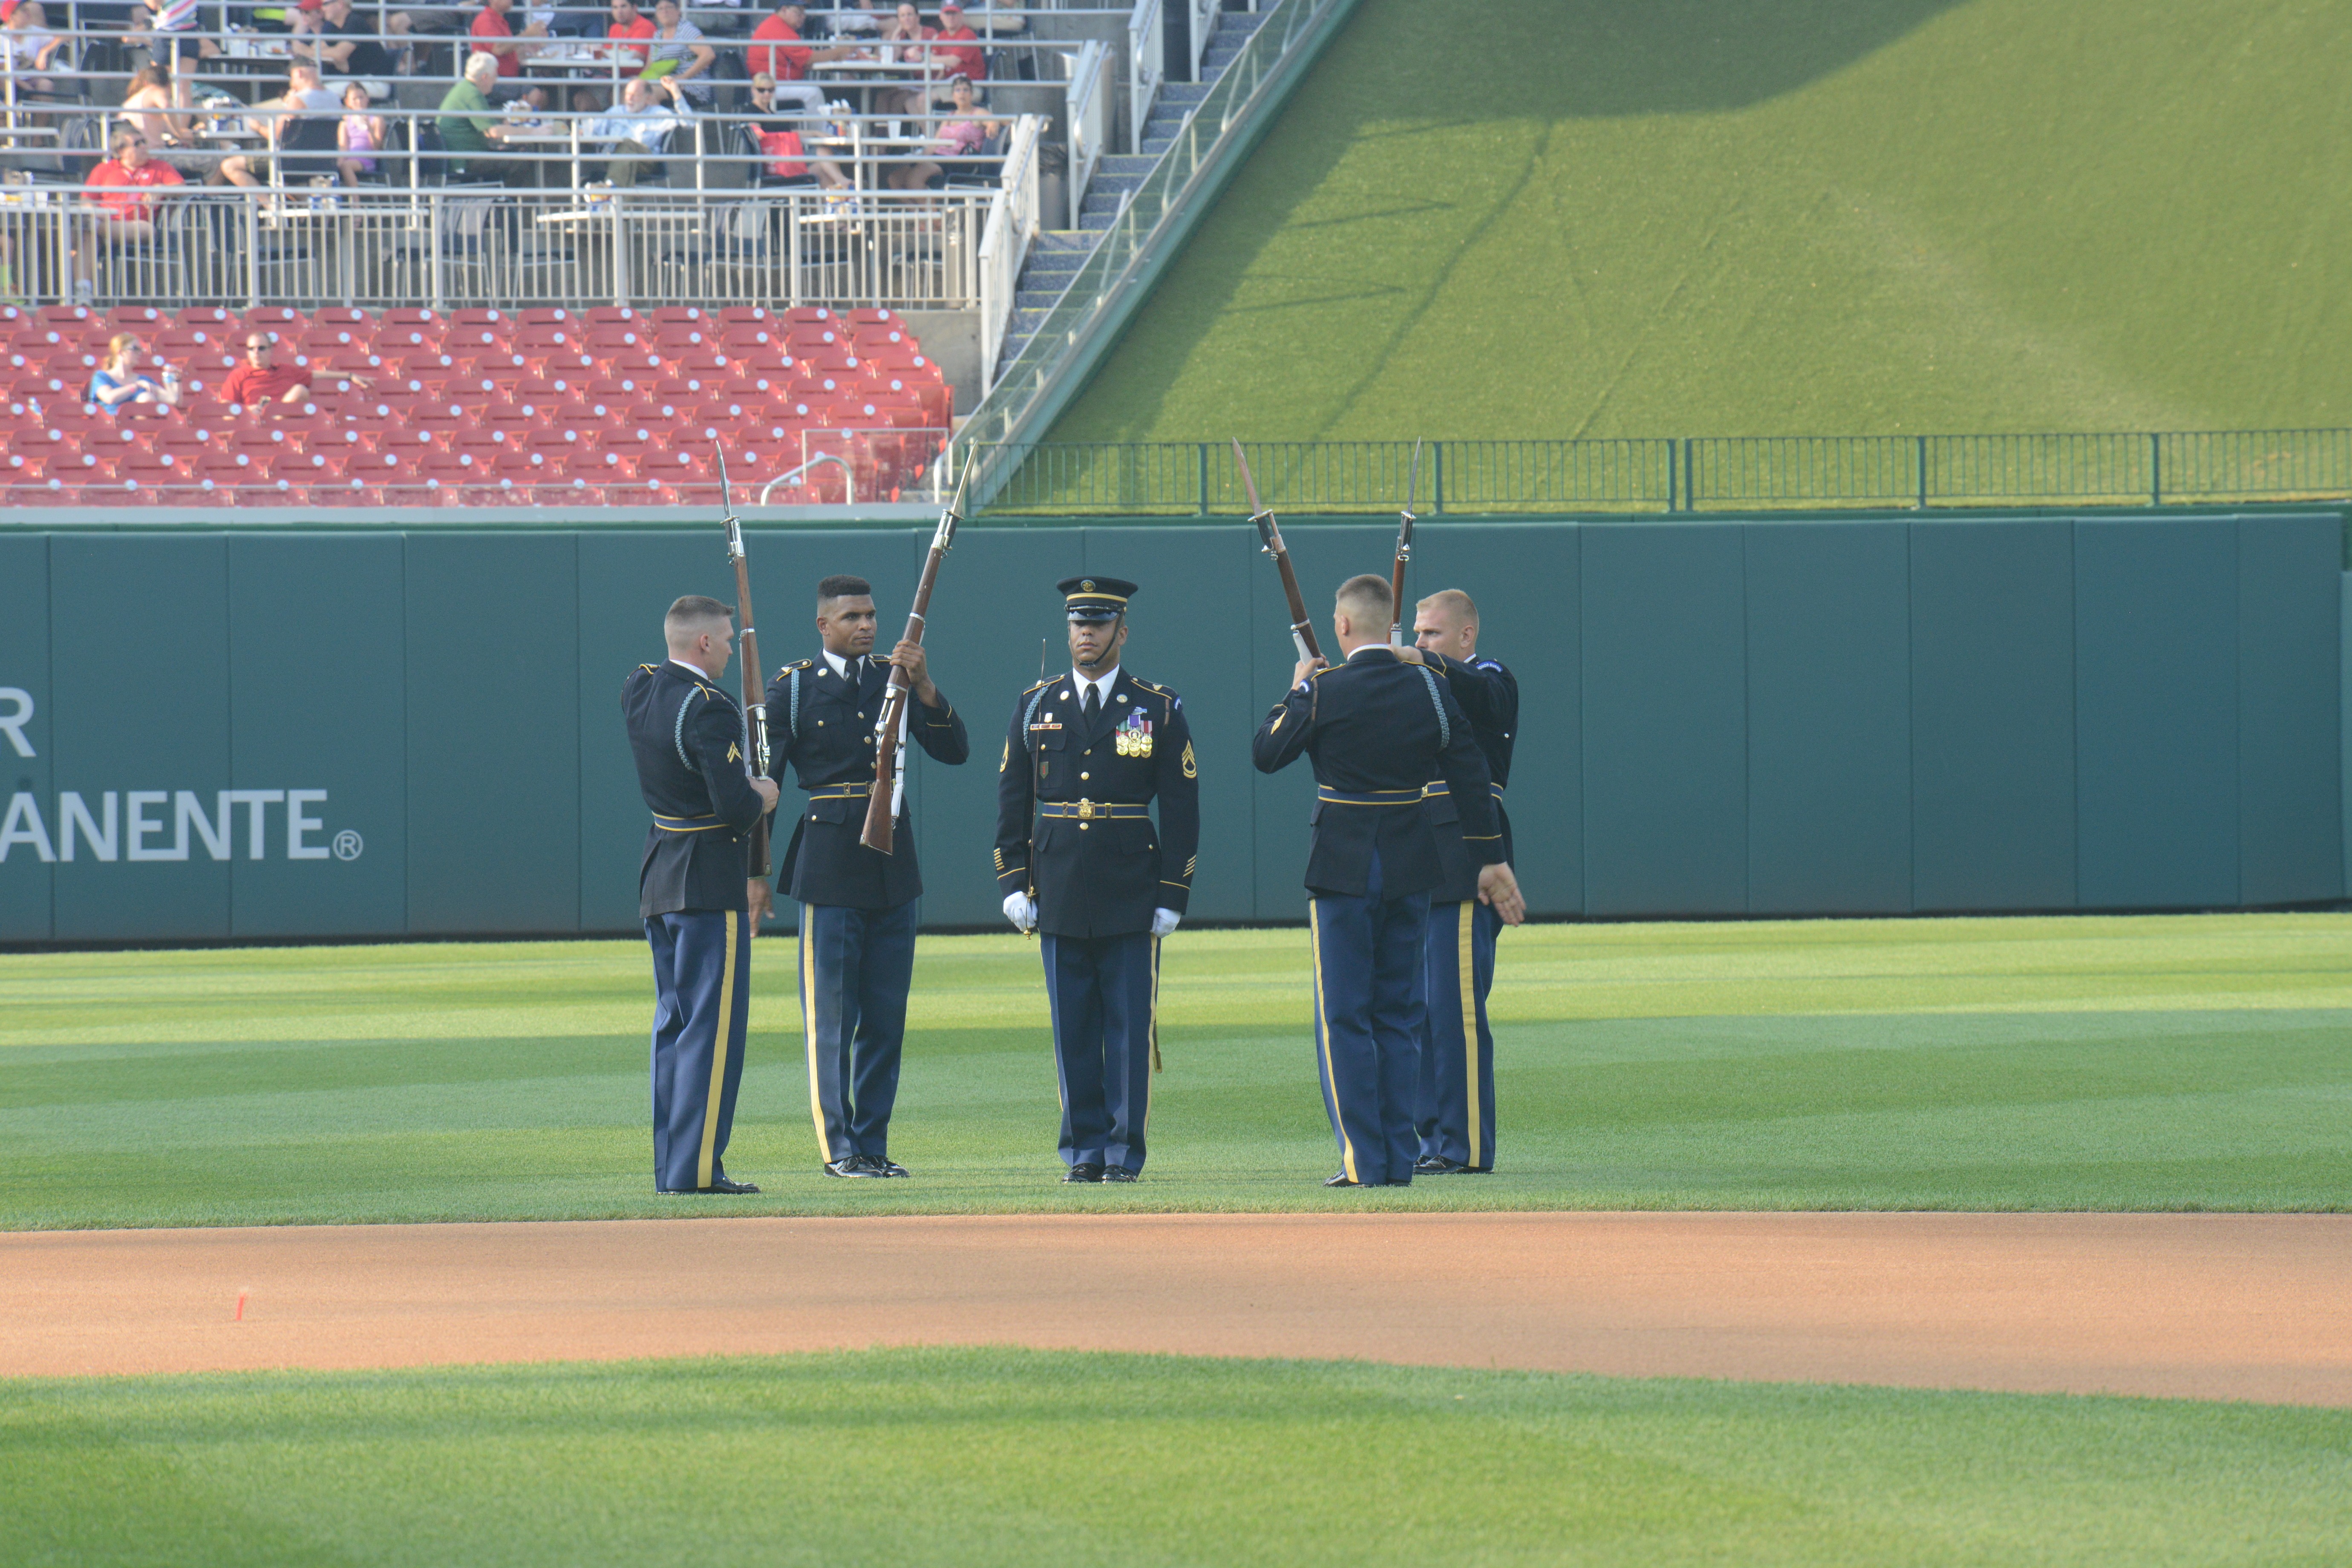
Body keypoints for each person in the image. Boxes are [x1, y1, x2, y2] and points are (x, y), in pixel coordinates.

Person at [1251, 574, 1524, 1188]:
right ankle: (1400, 1160)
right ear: (1391, 629)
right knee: (1403, 1016)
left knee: (1345, 1015)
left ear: (1343, 627)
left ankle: (1364, 1159)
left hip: (1345, 862)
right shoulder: (1427, 688)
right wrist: (1492, 854)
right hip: (1414, 859)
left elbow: (1267, 752)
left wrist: (1293, 693)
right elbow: (1467, 766)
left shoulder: (1323, 689)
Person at [761, 574, 969, 1179]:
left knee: (884, 1015)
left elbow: (955, 749)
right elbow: (766, 785)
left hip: (891, 864)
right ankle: (840, 1148)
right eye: (853, 616)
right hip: (827, 862)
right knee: (831, 1016)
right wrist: (756, 873)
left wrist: (924, 684)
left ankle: (872, 1142)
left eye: (872, 615)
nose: (868, 625)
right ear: (823, 624)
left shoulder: (895, 678)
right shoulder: (794, 689)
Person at [996, 576, 1198, 1184]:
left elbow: (1183, 807)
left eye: (1099, 624)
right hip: (1056, 879)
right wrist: (1013, 880)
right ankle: (1083, 1152)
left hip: (1130, 881)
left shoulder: (1156, 706)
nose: (1086, 634)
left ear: (1122, 631)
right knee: (1073, 1028)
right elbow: (1012, 800)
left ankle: (1122, 1152)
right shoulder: (1036, 703)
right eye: (1078, 624)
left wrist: (1173, 893)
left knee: (1129, 1027)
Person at [622, 595, 781, 1195]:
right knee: (710, 1033)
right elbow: (735, 806)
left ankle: (674, 1165)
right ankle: (694, 1172)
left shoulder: (640, 688)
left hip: (661, 867)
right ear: (705, 645)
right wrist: (763, 792)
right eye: (728, 638)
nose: (733, 648)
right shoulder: (710, 708)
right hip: (708, 878)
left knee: (674, 1025)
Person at [1409, 588, 1518, 1176]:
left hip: (1465, 855)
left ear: (1466, 637)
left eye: (1432, 633)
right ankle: (1428, 1140)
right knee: (1416, 1011)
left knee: (1454, 1011)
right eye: (1417, 634)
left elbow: (1487, 698)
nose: (1421, 642)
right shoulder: (1419, 684)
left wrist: (1420, 662)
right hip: (1407, 853)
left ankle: (1464, 1144)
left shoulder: (1489, 677)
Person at [76, 130, 184, 302]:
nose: (144, 146)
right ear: (122, 152)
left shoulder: (160, 167)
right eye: (137, 144)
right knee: (90, 237)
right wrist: (94, 211)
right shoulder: (104, 169)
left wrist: (160, 188)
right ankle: (83, 292)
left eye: (144, 142)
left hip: (141, 227)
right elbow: (86, 199)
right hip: (108, 223)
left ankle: (95, 226)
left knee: (91, 230)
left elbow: (182, 188)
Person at [220, 63, 344, 190]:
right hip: (324, 162)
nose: (291, 82)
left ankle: (269, 205)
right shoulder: (335, 99)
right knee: (285, 181)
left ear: (298, 74)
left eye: (291, 77)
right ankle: (301, 205)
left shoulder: (298, 100)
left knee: (230, 165)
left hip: (290, 162)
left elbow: (277, 135)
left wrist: (258, 127)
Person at [891, 73, 998, 189]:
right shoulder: (950, 116)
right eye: (958, 90)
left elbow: (997, 120)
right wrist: (918, 159)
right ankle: (921, 208)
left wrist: (993, 125)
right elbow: (935, 144)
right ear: (953, 96)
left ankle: (930, 208)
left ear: (971, 94)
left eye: (966, 90)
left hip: (957, 161)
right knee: (895, 179)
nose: (962, 93)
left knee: (914, 181)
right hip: (938, 156)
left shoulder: (977, 113)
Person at [436, 51, 529, 183]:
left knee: (511, 154)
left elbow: (491, 129)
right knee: (520, 159)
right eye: (495, 76)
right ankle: (505, 201)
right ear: (485, 77)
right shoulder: (472, 94)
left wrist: (507, 127)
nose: (496, 81)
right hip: (464, 160)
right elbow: (493, 132)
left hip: (460, 156)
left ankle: (497, 199)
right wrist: (534, 132)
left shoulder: (465, 89)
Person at [742, 73, 850, 187]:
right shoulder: (751, 111)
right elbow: (756, 134)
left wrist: (816, 133)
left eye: (771, 90)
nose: (767, 94)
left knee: (822, 170)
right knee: (822, 152)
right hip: (774, 163)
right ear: (754, 90)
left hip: (784, 158)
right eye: (762, 90)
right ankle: (843, 182)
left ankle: (832, 201)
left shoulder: (770, 113)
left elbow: (790, 133)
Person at [586, 72, 691, 186]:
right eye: (628, 94)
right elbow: (593, 131)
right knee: (624, 156)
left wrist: (675, 92)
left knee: (626, 144)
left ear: (648, 98)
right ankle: (611, 191)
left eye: (635, 95)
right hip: (613, 159)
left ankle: (609, 190)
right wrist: (580, 132)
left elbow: (689, 123)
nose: (630, 99)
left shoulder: (660, 114)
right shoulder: (616, 112)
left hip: (645, 161)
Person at [746, 2, 846, 98]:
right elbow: (808, 58)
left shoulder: (780, 25)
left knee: (813, 91)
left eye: (804, 13)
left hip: (775, 83)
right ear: (784, 10)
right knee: (813, 93)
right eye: (798, 13)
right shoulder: (778, 27)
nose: (803, 17)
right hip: (767, 88)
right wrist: (839, 52)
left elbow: (804, 59)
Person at [292, 0, 397, 79]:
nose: (323, 9)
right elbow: (321, 48)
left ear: (340, 4)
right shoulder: (335, 27)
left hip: (374, 80)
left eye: (326, 4)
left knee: (320, 90)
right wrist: (335, 59)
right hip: (357, 79)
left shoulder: (355, 22)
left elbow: (340, 54)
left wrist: (307, 51)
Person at [642, 0, 714, 104]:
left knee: (649, 93)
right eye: (660, 9)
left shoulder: (686, 30)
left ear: (678, 11)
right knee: (628, 89)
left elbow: (708, 55)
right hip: (663, 83)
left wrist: (683, 78)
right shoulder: (657, 36)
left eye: (668, 7)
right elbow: (649, 66)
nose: (664, 11)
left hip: (689, 87)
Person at [89, 332, 183, 413]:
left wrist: (174, 380)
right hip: (112, 427)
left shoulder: (144, 380)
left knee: (146, 398)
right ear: (121, 352)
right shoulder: (102, 376)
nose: (140, 353)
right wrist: (136, 386)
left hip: (140, 428)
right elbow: (110, 398)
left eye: (141, 350)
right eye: (135, 349)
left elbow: (173, 401)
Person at [467, 0, 545, 82]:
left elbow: (507, 50)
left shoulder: (497, 20)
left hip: (503, 78)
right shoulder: (486, 20)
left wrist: (531, 51)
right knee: (536, 93)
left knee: (543, 85)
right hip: (494, 80)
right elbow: (499, 49)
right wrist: (527, 35)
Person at [336, 79, 387, 183]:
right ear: (348, 102)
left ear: (367, 99)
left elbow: (377, 148)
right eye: (355, 99)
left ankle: (355, 199)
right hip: (349, 157)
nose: (359, 102)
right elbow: (344, 147)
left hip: (367, 159)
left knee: (346, 166)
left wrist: (369, 129)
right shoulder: (346, 121)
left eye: (361, 98)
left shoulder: (377, 119)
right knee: (334, 165)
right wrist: (338, 163)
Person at [930, 1, 984, 81]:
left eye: (954, 13)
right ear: (941, 16)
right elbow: (940, 65)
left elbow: (953, 62)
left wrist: (925, 58)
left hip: (969, 85)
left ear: (962, 15)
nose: (951, 17)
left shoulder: (967, 35)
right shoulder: (942, 36)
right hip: (952, 82)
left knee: (928, 94)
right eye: (947, 14)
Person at [604, 0, 655, 68]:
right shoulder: (615, 28)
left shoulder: (646, 27)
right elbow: (606, 53)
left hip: (635, 77)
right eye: (615, 7)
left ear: (634, 8)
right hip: (612, 73)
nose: (619, 12)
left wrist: (604, 53)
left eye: (623, 6)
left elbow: (636, 57)